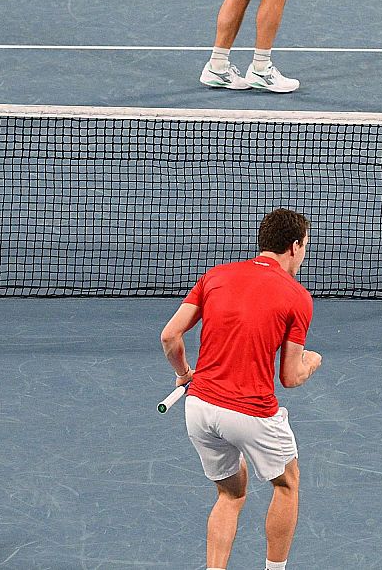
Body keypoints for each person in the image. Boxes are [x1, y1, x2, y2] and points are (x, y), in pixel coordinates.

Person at [160, 208, 323, 570]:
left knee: (231, 492)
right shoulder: (297, 297)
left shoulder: (215, 276)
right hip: (251, 414)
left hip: (199, 409)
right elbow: (290, 377)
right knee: (287, 484)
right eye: (305, 246)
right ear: (294, 246)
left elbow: (170, 336)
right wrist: (312, 361)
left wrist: (185, 372)